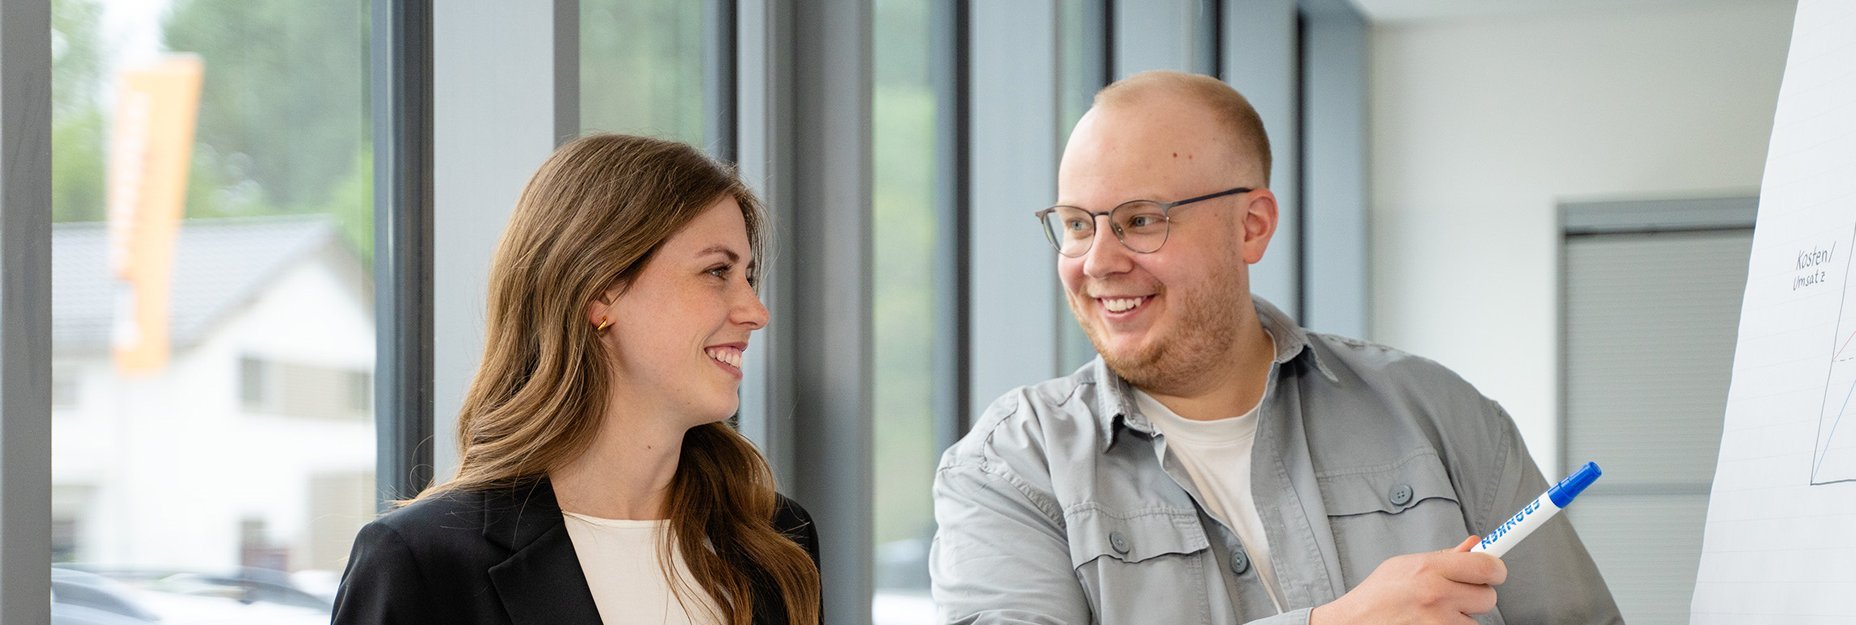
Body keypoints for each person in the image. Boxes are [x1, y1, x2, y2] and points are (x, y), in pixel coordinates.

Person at [929, 71, 1622, 624]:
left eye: (1140, 219)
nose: (1098, 261)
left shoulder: (1443, 416)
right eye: (1078, 224)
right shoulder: (1011, 469)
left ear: (1251, 226)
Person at [332, 134, 821, 625]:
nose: (756, 312)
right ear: (599, 289)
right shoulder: (422, 563)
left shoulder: (779, 539)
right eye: (717, 271)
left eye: (749, 277)